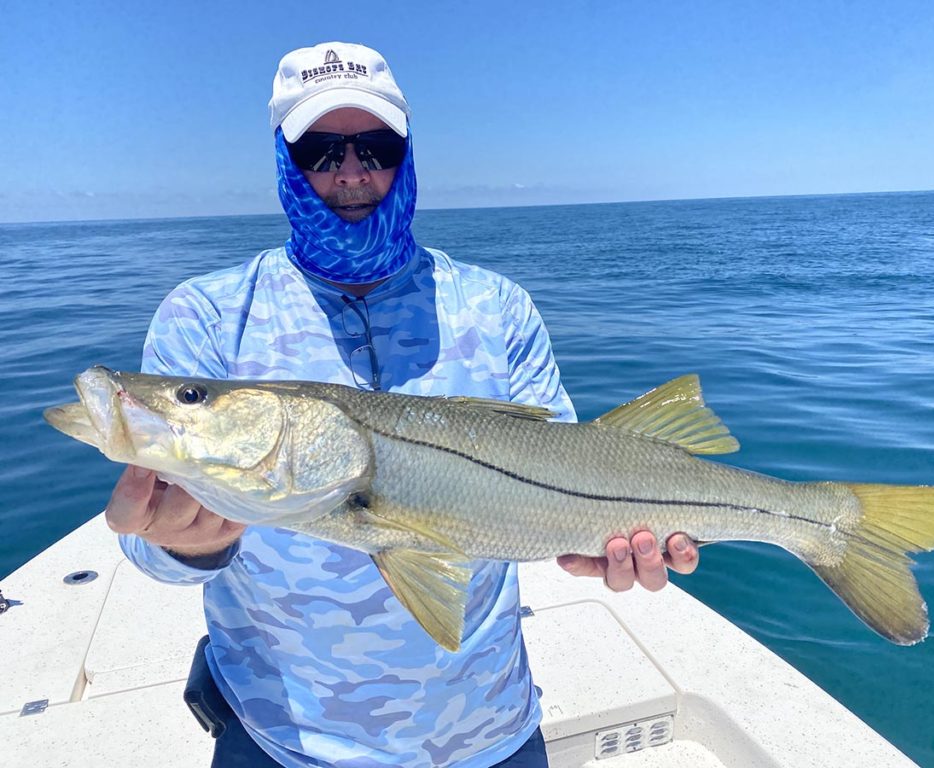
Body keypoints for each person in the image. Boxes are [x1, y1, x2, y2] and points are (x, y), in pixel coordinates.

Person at [105, 42, 699, 768]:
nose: (352, 173)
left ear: (407, 153)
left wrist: (599, 544)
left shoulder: (495, 305)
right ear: (286, 163)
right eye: (322, 151)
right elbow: (151, 555)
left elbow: (573, 479)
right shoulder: (207, 315)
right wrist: (187, 543)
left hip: (491, 733)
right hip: (281, 740)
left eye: (376, 147)